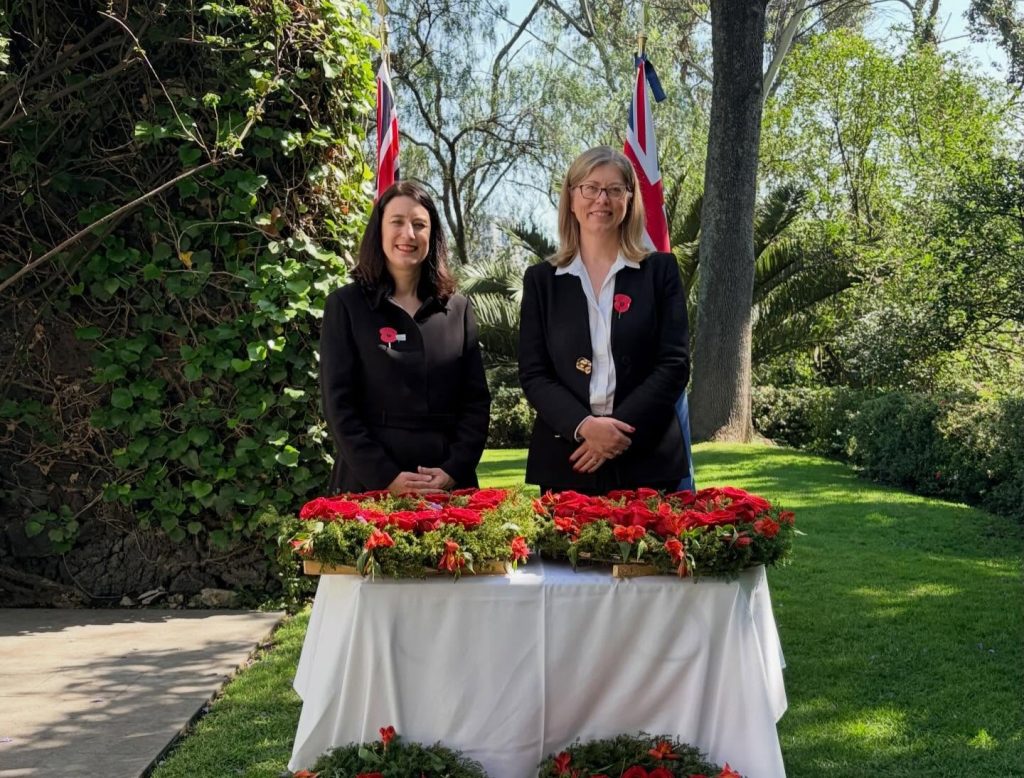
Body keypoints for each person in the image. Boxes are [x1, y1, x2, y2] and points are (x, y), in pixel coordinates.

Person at [518, 146, 690, 495]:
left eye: (615, 189)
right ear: (571, 197)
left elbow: (673, 363)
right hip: (568, 460)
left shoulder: (660, 271)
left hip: (648, 459)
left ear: (630, 199)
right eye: (591, 187)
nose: (602, 199)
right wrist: (584, 427)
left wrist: (614, 433)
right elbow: (534, 374)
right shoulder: (541, 280)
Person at [319, 181, 490, 495]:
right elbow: (338, 406)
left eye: (419, 224)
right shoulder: (346, 306)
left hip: (446, 483)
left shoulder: (459, 309)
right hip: (369, 484)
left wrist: (453, 469)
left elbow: (476, 404)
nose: (408, 235)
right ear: (379, 231)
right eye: (396, 222)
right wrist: (386, 478)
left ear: (432, 235)